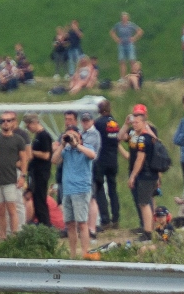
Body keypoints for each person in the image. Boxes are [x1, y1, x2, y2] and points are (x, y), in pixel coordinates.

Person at [53, 114, 98, 258]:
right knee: (70, 224)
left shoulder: (86, 147)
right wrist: (62, 144)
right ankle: (73, 254)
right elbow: (54, 160)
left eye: (73, 135)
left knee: (82, 223)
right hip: (67, 190)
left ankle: (85, 252)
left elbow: (92, 155)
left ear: (79, 135)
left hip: (81, 190)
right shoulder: (66, 151)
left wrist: (76, 144)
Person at [125, 105, 161, 238]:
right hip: (148, 173)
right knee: (143, 202)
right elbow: (121, 136)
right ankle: (148, 228)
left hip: (145, 173)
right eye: (133, 121)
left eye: (137, 122)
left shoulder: (144, 138)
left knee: (145, 203)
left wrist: (133, 176)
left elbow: (140, 158)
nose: (134, 124)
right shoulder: (141, 135)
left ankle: (148, 232)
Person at [92, 102, 121, 231]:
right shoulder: (114, 123)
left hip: (101, 159)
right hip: (113, 159)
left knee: (99, 189)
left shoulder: (98, 123)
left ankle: (105, 219)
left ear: (99, 110)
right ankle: (116, 218)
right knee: (113, 189)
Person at [25, 114, 56, 233]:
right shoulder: (37, 136)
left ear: (34, 123)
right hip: (35, 172)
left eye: (29, 126)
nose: (29, 129)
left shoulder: (44, 136)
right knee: (36, 200)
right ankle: (43, 224)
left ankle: (46, 225)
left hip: (42, 172)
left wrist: (32, 152)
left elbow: (47, 155)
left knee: (40, 200)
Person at [110, 12, 143, 79]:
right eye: (123, 17)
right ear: (121, 18)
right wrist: (116, 39)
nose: (124, 18)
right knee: (122, 61)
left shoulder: (131, 25)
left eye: (125, 17)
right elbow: (112, 32)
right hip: (121, 45)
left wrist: (134, 38)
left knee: (132, 61)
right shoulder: (118, 25)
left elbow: (140, 31)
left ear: (128, 18)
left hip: (129, 44)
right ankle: (122, 78)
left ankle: (134, 76)